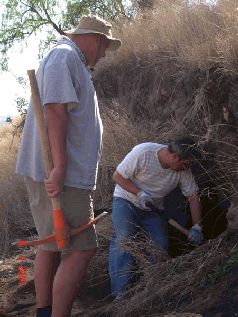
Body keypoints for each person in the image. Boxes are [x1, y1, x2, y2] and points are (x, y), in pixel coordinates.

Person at [16, 15, 121, 317]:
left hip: (54, 172)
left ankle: (44, 312)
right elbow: (55, 112)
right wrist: (60, 169)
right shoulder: (65, 57)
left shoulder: (65, 58)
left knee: (50, 244)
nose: (102, 56)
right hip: (63, 175)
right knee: (81, 248)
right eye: (104, 48)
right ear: (97, 40)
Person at [109, 138, 203, 298]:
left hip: (154, 209)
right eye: (186, 163)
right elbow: (117, 176)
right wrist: (139, 193)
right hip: (126, 200)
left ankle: (152, 290)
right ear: (175, 157)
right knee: (124, 238)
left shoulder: (182, 171)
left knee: (160, 244)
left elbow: (193, 197)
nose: (188, 167)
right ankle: (120, 294)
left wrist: (197, 226)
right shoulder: (143, 152)